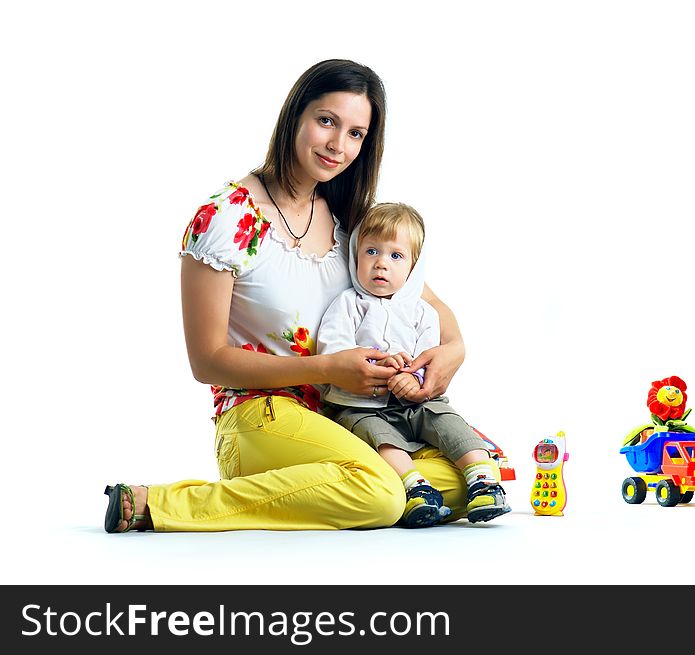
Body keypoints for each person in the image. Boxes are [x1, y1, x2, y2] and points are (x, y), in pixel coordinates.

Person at [103, 58, 498, 533]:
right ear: (295, 116)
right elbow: (206, 361)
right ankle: (159, 504)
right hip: (259, 414)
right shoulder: (226, 218)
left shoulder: (350, 220)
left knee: (473, 474)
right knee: (382, 493)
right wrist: (326, 369)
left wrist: (454, 350)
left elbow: (425, 300)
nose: (338, 145)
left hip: (348, 418)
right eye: (327, 121)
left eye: (356, 134)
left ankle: (319, 487)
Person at [317, 203, 511, 527]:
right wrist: (376, 360)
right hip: (363, 405)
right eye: (371, 251)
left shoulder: (421, 311)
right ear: (355, 256)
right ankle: (416, 489)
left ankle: (483, 481)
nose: (381, 263)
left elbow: (428, 353)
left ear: (413, 267)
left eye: (396, 256)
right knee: (377, 436)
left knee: (449, 421)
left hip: (416, 401)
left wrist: (414, 377)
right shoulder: (348, 304)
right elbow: (334, 348)